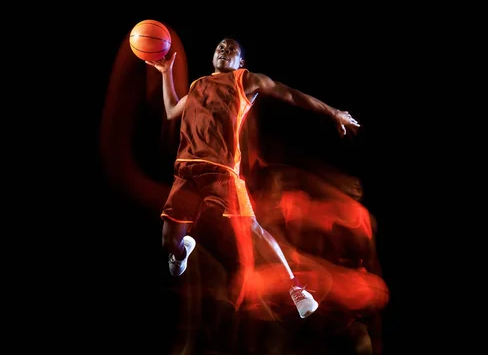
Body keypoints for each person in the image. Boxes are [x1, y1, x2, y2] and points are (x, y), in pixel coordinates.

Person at [146, 37, 360, 319]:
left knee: (253, 231)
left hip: (222, 171)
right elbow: (173, 110)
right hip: (186, 171)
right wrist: (166, 74)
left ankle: (296, 288)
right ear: (213, 56)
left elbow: (292, 95)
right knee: (167, 242)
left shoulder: (245, 80)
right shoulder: (198, 86)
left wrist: (333, 112)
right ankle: (181, 251)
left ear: (241, 62)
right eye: (220, 47)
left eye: (231, 49)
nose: (224, 50)